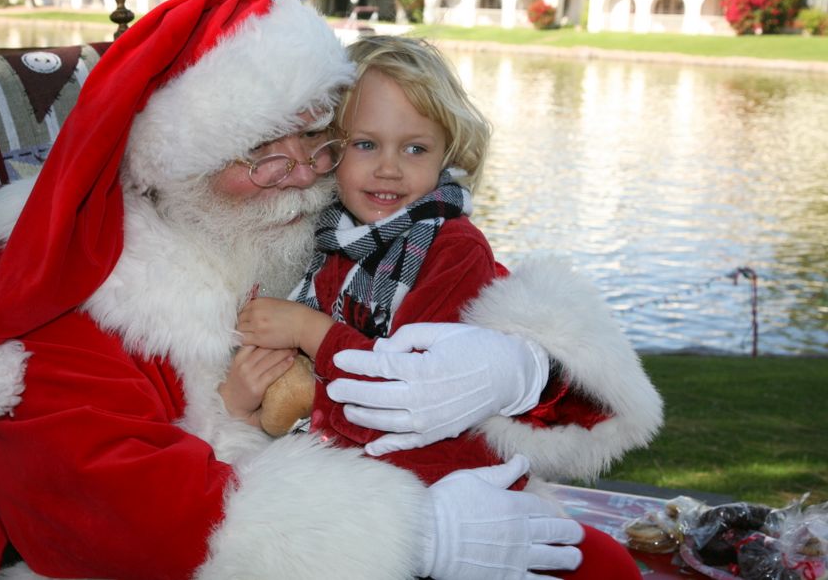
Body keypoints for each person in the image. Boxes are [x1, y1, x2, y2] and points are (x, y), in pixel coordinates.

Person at [0, 0, 663, 580]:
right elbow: (103, 504)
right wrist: (413, 534)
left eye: (315, 137)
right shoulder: (91, 287)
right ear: (178, 162)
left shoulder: (352, 227)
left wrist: (522, 369)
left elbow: (589, 412)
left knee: (599, 563)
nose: (301, 174)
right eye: (260, 152)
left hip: (384, 480)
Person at [232, 35, 642, 578]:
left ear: (448, 153)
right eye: (365, 144)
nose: (388, 169)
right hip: (353, 477)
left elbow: (408, 394)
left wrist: (311, 330)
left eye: (415, 148)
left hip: (446, 492)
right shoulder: (328, 238)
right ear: (331, 148)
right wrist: (244, 401)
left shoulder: (452, 248)